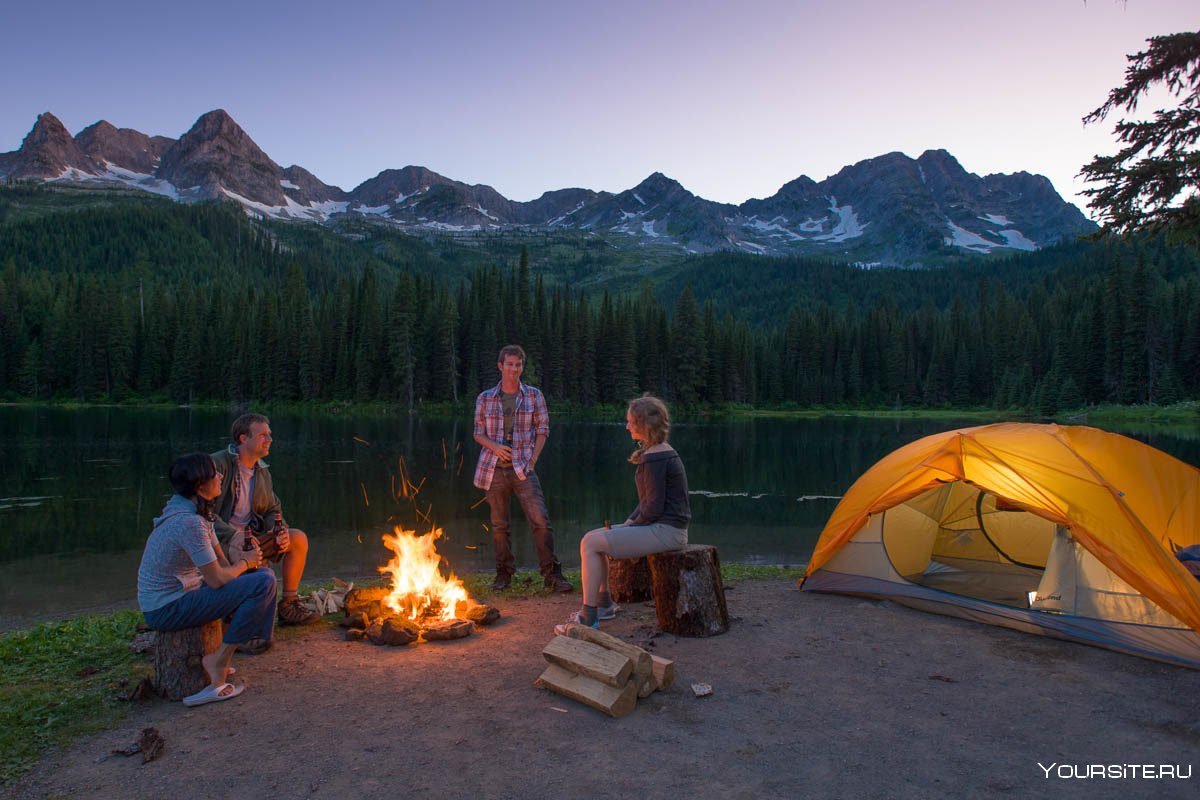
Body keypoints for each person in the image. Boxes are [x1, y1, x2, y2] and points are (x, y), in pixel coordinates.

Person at [137, 453, 276, 706]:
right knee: (263, 582)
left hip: (184, 591)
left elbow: (223, 566)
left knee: (262, 576)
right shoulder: (189, 523)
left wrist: (245, 559)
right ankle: (219, 661)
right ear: (201, 485)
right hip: (165, 608)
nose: (221, 477)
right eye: (215, 474)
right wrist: (245, 563)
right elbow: (216, 580)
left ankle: (234, 644)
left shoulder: (199, 514)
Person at [557, 395, 690, 631]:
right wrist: (629, 522)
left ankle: (588, 617)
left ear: (643, 424)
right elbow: (648, 502)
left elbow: (653, 508)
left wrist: (631, 527)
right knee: (595, 537)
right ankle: (604, 604)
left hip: (667, 532)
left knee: (590, 543)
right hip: (665, 527)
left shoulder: (656, 456)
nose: (627, 426)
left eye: (630, 422)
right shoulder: (658, 451)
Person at [473, 344, 571, 593]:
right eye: (509, 365)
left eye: (518, 365)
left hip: (523, 468)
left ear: (522, 367)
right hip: (493, 468)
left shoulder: (534, 395)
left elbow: (543, 430)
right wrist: (495, 447)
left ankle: (551, 574)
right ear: (500, 366)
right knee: (499, 525)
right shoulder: (485, 398)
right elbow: (478, 434)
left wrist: (533, 459)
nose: (514, 369)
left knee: (540, 520)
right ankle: (503, 574)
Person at [211, 413, 319, 630]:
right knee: (245, 556)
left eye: (269, 435)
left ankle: (289, 604)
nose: (269, 439)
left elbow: (272, 508)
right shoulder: (217, 465)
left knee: (297, 539)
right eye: (263, 435)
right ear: (243, 439)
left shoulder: (262, 471)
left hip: (252, 538)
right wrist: (233, 536)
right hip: (221, 541)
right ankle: (232, 615)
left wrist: (279, 530)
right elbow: (203, 514)